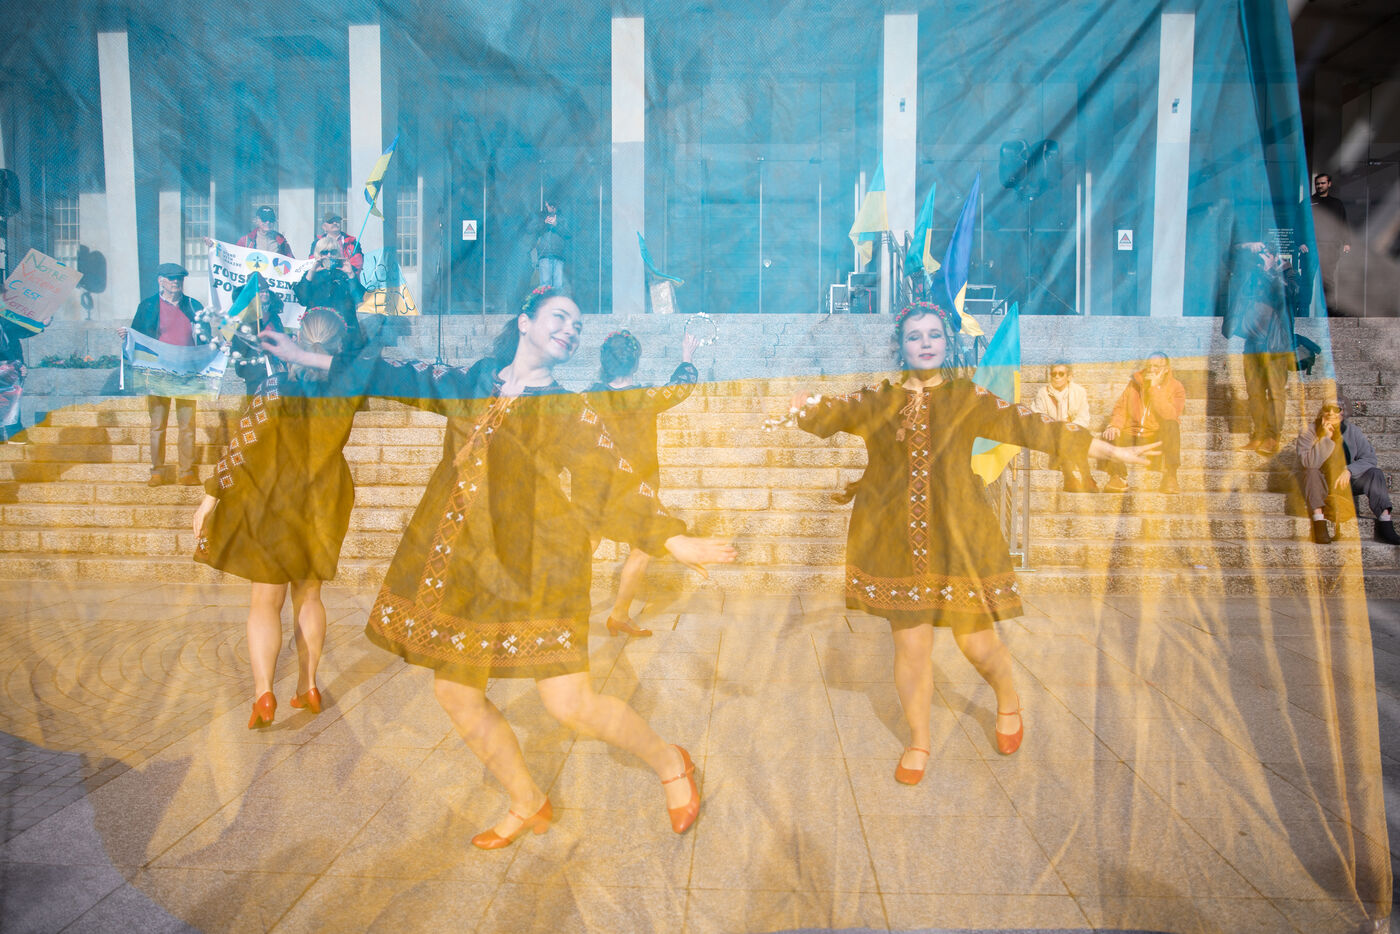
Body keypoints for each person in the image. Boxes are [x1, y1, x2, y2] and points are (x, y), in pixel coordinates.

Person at [259, 285, 735, 845]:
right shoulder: (474, 381)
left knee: (570, 703)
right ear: (525, 322)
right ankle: (527, 800)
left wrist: (672, 540)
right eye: (561, 317)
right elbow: (392, 375)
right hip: (467, 568)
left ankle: (670, 761)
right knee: (455, 693)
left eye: (577, 325)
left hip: (539, 566)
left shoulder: (566, 408)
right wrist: (302, 354)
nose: (571, 330)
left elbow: (615, 478)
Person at [793, 302, 1156, 780]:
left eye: (934, 335)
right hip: (894, 543)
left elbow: (1034, 426)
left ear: (947, 343)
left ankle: (1007, 697)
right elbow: (825, 416)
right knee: (911, 649)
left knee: (977, 645)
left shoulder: (968, 398)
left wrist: (1106, 449)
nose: (925, 343)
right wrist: (802, 406)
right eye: (914, 336)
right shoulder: (876, 399)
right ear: (899, 347)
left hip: (960, 538)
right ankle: (919, 741)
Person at [192, 310, 361, 728]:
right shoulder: (346, 388)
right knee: (310, 595)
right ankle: (308, 685)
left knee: (265, 601)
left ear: (297, 338)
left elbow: (242, 444)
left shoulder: (276, 386)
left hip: (273, 497)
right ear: (339, 345)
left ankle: (263, 694)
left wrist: (210, 496)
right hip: (324, 497)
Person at [580, 329, 701, 637]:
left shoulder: (587, 399)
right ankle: (619, 615)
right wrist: (687, 356)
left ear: (604, 363)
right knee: (642, 546)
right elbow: (680, 387)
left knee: (586, 544)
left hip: (598, 486)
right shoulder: (645, 398)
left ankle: (570, 613)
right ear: (635, 363)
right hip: (638, 486)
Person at [118, 263, 210, 486]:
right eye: (170, 278)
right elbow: (138, 336)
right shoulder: (148, 306)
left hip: (187, 374)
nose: (175, 282)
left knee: (187, 425)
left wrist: (218, 348)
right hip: (158, 374)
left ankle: (187, 471)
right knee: (158, 425)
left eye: (179, 278)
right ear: (160, 280)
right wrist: (126, 336)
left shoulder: (194, 305)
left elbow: (206, 339)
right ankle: (157, 471)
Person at [1225, 242, 1296, 455]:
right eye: (1261, 254)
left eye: (1265, 254)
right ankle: (1258, 434)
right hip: (1253, 343)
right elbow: (1229, 258)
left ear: (1274, 256)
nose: (1261, 258)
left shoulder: (1286, 272)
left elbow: (1290, 293)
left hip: (1275, 345)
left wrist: (1269, 271)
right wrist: (1247, 246)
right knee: (1254, 392)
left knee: (1275, 392)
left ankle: (1272, 436)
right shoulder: (1252, 274)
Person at [1296, 401, 1400, 546]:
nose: (1331, 413)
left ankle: (1385, 522)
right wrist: (1326, 438)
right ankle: (1319, 521)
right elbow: (1308, 463)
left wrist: (1349, 470)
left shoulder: (1353, 431)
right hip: (1320, 483)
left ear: (1342, 412)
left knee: (1375, 473)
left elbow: (1369, 459)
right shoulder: (1309, 431)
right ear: (1322, 411)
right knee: (1311, 471)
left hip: (1345, 482)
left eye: (1336, 409)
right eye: (1327, 409)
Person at [1101, 352, 1186, 494]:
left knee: (1172, 425)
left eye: (1156, 367)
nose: (1151, 370)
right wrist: (1115, 425)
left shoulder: (1176, 387)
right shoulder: (1135, 383)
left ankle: (1170, 476)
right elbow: (1121, 407)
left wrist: (1154, 388)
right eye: (1149, 366)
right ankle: (1118, 477)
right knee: (1111, 432)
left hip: (1156, 436)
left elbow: (1170, 414)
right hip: (1132, 432)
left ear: (1166, 369)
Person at [1030, 361, 1097, 492]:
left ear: (1069, 376)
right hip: (1051, 433)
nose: (1057, 377)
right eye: (1053, 374)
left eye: (1061, 374)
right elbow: (1038, 416)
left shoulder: (1079, 392)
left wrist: (1070, 428)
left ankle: (1077, 478)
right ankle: (1075, 477)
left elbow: (1084, 417)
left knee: (1071, 438)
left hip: (1074, 430)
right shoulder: (1043, 393)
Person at [294, 236, 365, 353]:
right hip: (319, 328)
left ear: (338, 253)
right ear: (318, 254)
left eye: (333, 252)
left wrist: (351, 274)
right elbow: (302, 299)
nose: (329, 255)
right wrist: (311, 272)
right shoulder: (311, 274)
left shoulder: (345, 272)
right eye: (324, 252)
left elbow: (359, 298)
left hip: (344, 329)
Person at [0, 310, 53, 444]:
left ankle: (15, 436)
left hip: (9, 363)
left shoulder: (5, 312)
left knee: (9, 402)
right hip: (7, 363)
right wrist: (15, 363)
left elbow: (15, 330)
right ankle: (16, 436)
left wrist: (40, 324)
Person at [1309, 173, 1350, 310]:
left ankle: (1329, 311)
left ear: (1329, 184)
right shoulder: (1308, 202)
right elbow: (1299, 223)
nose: (1320, 186)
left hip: (1330, 247)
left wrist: (1346, 242)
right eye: (1317, 184)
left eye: (1323, 183)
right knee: (1308, 279)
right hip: (1312, 246)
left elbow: (1342, 223)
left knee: (1328, 279)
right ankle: (1304, 310)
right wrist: (1301, 243)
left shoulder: (1336, 204)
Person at [533, 200, 570, 289]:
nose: (552, 208)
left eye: (554, 206)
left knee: (558, 285)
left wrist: (556, 224)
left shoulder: (562, 218)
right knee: (545, 285)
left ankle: (557, 298)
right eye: (550, 205)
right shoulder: (540, 217)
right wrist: (544, 223)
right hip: (544, 255)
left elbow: (568, 234)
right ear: (546, 204)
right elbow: (534, 232)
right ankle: (545, 297)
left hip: (558, 255)